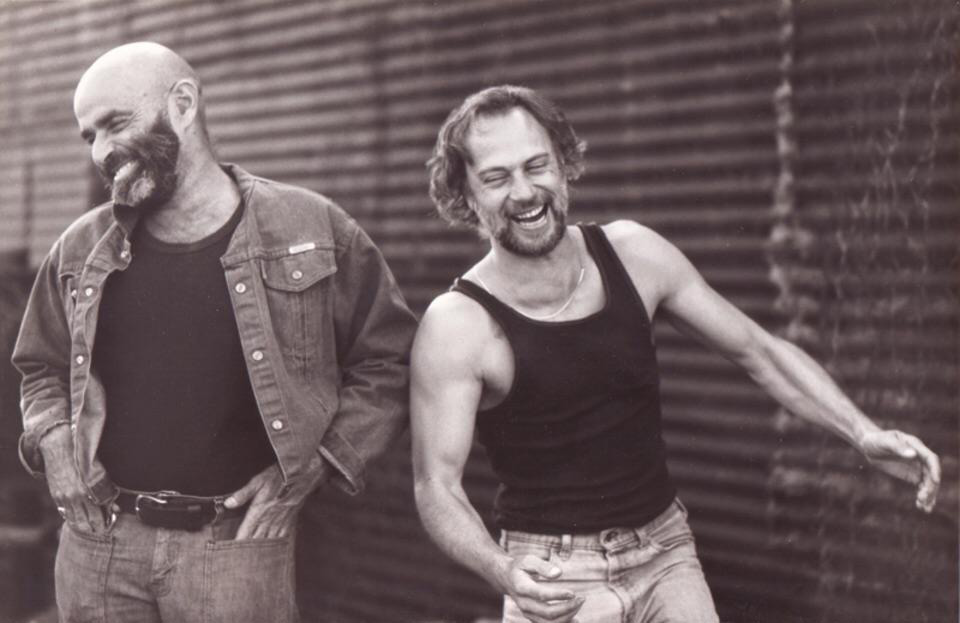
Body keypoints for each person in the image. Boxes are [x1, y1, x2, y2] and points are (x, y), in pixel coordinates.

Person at [410, 85, 941, 623]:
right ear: (466, 196)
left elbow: (759, 351)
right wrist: (502, 570)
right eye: (497, 178)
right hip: (551, 577)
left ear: (564, 164)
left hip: (665, 555)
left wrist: (861, 431)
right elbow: (437, 485)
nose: (524, 192)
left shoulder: (634, 254)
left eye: (537, 166)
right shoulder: (457, 325)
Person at [13, 42, 417, 623]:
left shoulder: (311, 228)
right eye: (89, 136)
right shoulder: (80, 248)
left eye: (115, 124)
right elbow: (40, 366)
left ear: (182, 105)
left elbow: (389, 360)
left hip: (235, 548)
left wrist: (315, 466)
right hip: (97, 543)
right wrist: (52, 441)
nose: (101, 151)